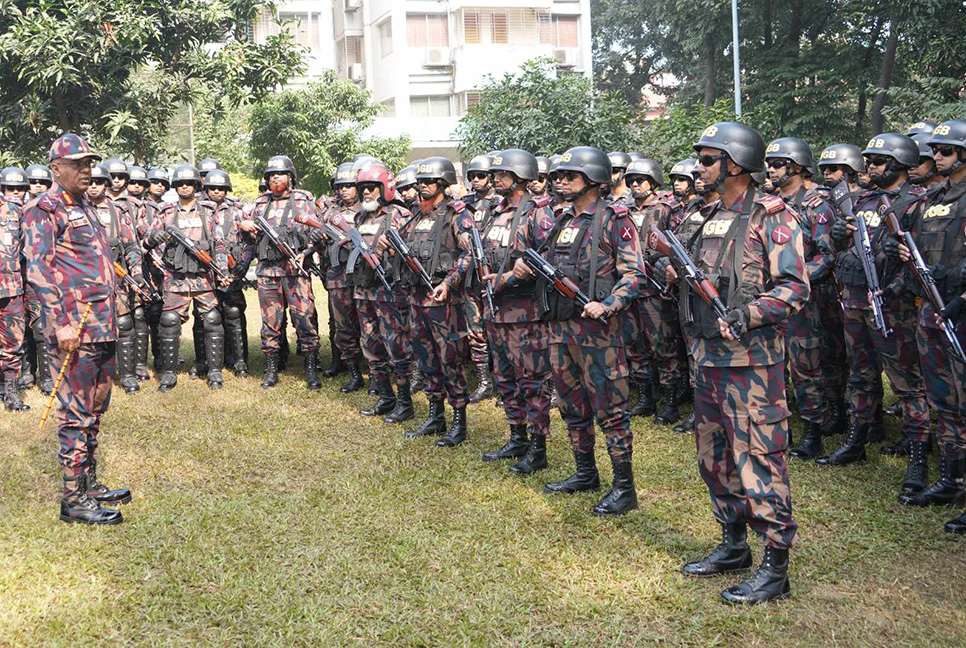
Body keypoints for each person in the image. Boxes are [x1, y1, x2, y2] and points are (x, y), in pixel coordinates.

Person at [668, 122, 808, 604]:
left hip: (751, 364)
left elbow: (794, 288)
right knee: (714, 455)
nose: (699, 168)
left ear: (736, 164)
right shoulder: (701, 216)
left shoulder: (772, 216)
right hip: (705, 357)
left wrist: (749, 314)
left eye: (708, 160)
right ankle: (733, 544)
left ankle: (775, 567)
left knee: (759, 459)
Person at [512, 146, 645, 516]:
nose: (560, 181)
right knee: (571, 405)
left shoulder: (615, 220)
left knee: (611, 409)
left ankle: (624, 487)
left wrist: (609, 304)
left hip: (598, 332)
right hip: (561, 328)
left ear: (593, 179)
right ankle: (585, 472)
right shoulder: (560, 220)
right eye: (557, 176)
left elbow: (634, 275)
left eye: (568, 176)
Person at [23, 133, 131, 525]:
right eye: (79, 164)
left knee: (97, 406)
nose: (87, 170)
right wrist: (63, 322)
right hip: (75, 328)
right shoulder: (44, 208)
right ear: (56, 168)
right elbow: (39, 270)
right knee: (75, 412)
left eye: (90, 164)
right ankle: (73, 500)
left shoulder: (86, 205)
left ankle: (90, 484)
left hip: (101, 325)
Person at [821, 133, 930, 476]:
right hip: (855, 301)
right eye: (869, 161)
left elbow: (921, 259)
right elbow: (840, 248)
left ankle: (918, 456)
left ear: (899, 164)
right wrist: (839, 234)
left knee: (907, 383)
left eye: (878, 161)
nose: (870, 167)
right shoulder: (863, 200)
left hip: (894, 306)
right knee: (861, 375)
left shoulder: (917, 202)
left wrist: (897, 286)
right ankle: (857, 440)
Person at [891, 120, 966, 519]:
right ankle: (951, 480)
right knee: (945, 399)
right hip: (930, 309)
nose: (936, 157)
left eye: (946, 151)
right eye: (935, 150)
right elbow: (911, 241)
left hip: (960, 310)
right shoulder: (933, 195)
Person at [378, 156, 475, 446]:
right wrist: (387, 245)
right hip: (416, 300)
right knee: (426, 358)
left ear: (443, 183)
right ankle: (435, 415)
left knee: (451, 360)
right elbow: (403, 250)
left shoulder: (458, 215)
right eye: (420, 182)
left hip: (444, 302)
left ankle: (459, 420)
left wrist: (448, 283)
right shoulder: (415, 216)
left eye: (428, 181)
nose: (422, 187)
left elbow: (468, 255)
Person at [477, 149, 555, 474]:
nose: (496, 180)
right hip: (496, 311)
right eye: (495, 175)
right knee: (505, 377)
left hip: (525, 312)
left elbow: (551, 261)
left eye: (502, 174)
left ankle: (538, 448)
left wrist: (513, 274)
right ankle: (517, 436)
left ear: (520, 176)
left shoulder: (538, 213)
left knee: (532, 381)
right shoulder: (494, 213)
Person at [763, 138, 837, 460]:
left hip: (804, 304)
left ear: (796, 167)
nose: (771, 169)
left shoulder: (815, 204)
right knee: (775, 367)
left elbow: (827, 254)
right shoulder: (769, 205)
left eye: (778, 164)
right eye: (770, 164)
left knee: (807, 368)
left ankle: (813, 432)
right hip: (770, 301)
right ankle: (782, 426)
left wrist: (797, 279)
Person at [145, 165, 231, 391]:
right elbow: (147, 241)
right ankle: (169, 373)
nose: (185, 186)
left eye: (189, 183)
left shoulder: (207, 211)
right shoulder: (166, 212)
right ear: (175, 186)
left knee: (212, 320)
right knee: (169, 322)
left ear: (196, 186)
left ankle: (214, 372)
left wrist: (222, 271)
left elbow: (219, 245)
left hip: (203, 276)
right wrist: (156, 236)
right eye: (181, 183)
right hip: (175, 277)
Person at [239, 155, 322, 390]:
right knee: (271, 323)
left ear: (290, 177)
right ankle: (272, 369)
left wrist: (307, 252)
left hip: (295, 271)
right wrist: (242, 224)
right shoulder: (260, 203)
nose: (276, 177)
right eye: (271, 174)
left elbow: (319, 232)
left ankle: (311, 368)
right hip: (267, 273)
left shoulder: (303, 200)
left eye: (281, 173)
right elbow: (241, 220)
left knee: (304, 320)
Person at [624, 157, 686, 425]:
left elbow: (677, 244)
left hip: (654, 288)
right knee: (635, 345)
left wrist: (663, 265)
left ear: (652, 182)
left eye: (640, 180)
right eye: (631, 181)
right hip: (628, 287)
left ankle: (670, 401)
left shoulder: (665, 208)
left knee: (663, 345)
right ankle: (645, 397)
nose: (635, 185)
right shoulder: (622, 210)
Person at [86, 164, 145, 394]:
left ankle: (128, 375)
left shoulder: (117, 211)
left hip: (116, 278)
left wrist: (136, 271)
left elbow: (131, 245)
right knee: (89, 329)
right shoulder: (75, 210)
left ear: (106, 185)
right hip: (87, 281)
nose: (93, 187)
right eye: (90, 182)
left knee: (123, 324)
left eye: (98, 182)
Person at [318, 162, 364, 390]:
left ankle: (374, 372)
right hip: (337, 275)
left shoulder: (369, 209)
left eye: (349, 186)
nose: (344, 190)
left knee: (368, 325)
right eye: (341, 186)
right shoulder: (329, 211)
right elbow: (316, 235)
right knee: (342, 325)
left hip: (364, 275)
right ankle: (353, 371)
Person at [203, 170, 250, 377]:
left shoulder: (237, 211)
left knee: (234, 313)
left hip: (232, 270)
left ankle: (240, 360)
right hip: (205, 271)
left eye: (220, 188)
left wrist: (244, 264)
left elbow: (250, 241)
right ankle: (210, 361)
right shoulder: (199, 210)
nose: (216, 191)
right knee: (210, 317)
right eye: (212, 188)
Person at [0, 167, 30, 411]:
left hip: (11, 289)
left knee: (13, 342)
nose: (16, 193)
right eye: (11, 189)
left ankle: (10, 393)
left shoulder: (20, 213)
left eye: (21, 189)